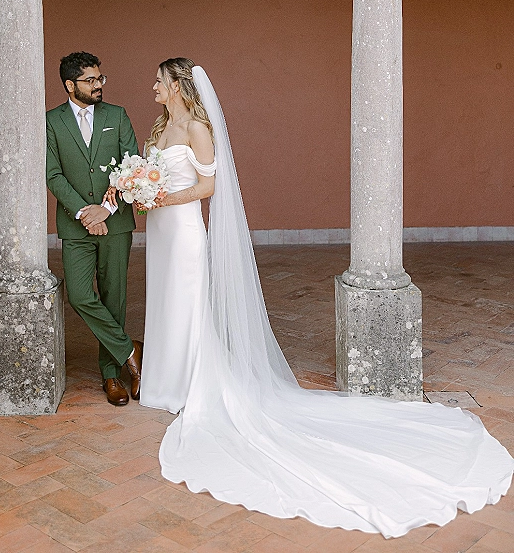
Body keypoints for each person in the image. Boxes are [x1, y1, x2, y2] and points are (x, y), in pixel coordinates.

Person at [131, 57, 513, 539]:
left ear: (178, 85)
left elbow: (208, 186)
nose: (153, 87)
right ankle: (164, 380)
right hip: (160, 234)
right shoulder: (161, 125)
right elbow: (155, 175)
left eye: (160, 81)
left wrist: (162, 198)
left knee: (185, 307)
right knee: (163, 306)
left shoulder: (198, 128)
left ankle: (187, 383)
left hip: (183, 232)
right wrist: (142, 190)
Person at [46, 51, 142, 406]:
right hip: (75, 225)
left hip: (115, 222)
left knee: (114, 296)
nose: (98, 84)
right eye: (90, 80)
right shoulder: (51, 122)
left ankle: (112, 375)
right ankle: (128, 350)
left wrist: (105, 210)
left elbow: (131, 165)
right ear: (70, 85)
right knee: (81, 295)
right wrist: (85, 212)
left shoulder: (116, 116)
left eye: (100, 78)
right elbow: (52, 174)